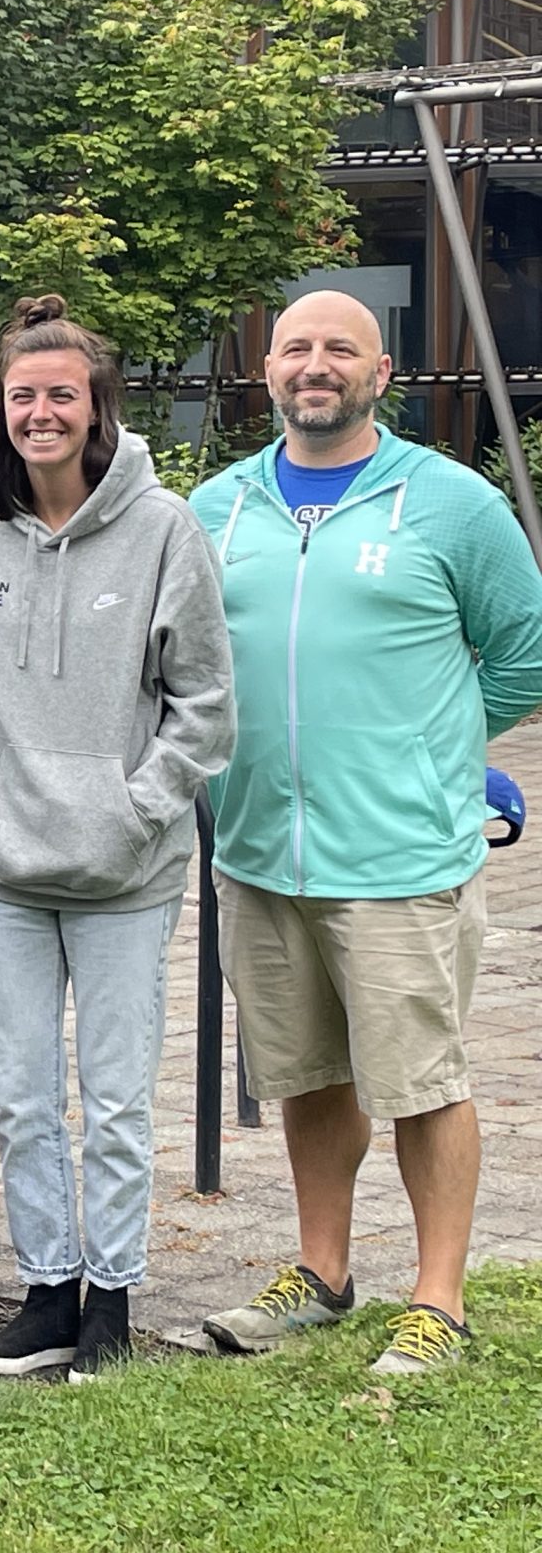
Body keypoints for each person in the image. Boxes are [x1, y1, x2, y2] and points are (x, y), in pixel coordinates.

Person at [191, 291, 542, 1375]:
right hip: (259, 850)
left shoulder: (449, 506)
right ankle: (322, 1272)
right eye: (295, 348)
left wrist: (433, 747)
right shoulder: (214, 509)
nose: (315, 365)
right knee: (307, 1074)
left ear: (379, 373)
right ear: (267, 372)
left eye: (338, 349)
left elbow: (524, 655)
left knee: (419, 1080)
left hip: (399, 859)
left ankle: (438, 1301)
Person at [0, 297, 235, 1382]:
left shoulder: (166, 531)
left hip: (124, 870)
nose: (39, 413)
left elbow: (204, 702)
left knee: (114, 1099)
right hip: (6, 865)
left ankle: (110, 1300)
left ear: (96, 405)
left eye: (60, 394)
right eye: (22, 396)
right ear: (2, 410)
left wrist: (137, 803)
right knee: (22, 1096)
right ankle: (43, 1292)